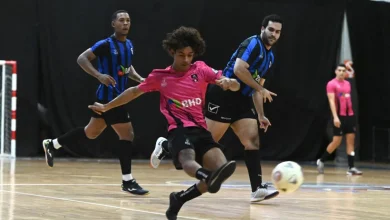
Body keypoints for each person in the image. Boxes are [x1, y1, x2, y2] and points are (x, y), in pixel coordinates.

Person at [88, 26, 240, 220]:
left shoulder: (201, 69)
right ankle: (193, 166)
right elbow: (133, 92)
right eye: (181, 55)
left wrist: (229, 82)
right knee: (189, 160)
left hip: (201, 130)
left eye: (190, 55)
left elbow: (233, 84)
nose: (186, 60)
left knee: (220, 171)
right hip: (178, 130)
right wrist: (107, 107)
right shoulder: (160, 77)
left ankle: (179, 198)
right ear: (171, 52)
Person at [151, 14, 282, 203]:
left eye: (277, 32)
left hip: (243, 101)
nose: (274, 34)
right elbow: (239, 70)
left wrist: (261, 114)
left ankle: (257, 189)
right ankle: (165, 145)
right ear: (262, 29)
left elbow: (256, 88)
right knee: (202, 143)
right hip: (224, 95)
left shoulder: (270, 57)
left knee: (252, 141)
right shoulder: (253, 44)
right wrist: (260, 88)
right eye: (271, 30)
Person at [42, 10, 149, 195]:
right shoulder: (106, 44)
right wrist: (99, 75)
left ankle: (53, 144)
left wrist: (140, 79)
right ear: (113, 24)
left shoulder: (129, 45)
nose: (125, 23)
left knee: (91, 132)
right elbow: (81, 58)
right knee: (127, 134)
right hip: (108, 97)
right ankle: (128, 180)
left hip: (116, 96)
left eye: (128, 20)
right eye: (121, 20)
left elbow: (126, 68)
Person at [316, 64, 363, 175]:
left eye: (344, 70)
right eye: (340, 70)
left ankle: (351, 167)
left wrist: (351, 116)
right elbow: (332, 101)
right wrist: (335, 117)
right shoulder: (331, 84)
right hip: (339, 116)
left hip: (350, 116)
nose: (342, 72)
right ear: (336, 71)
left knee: (351, 141)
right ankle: (321, 160)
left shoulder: (347, 84)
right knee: (336, 141)